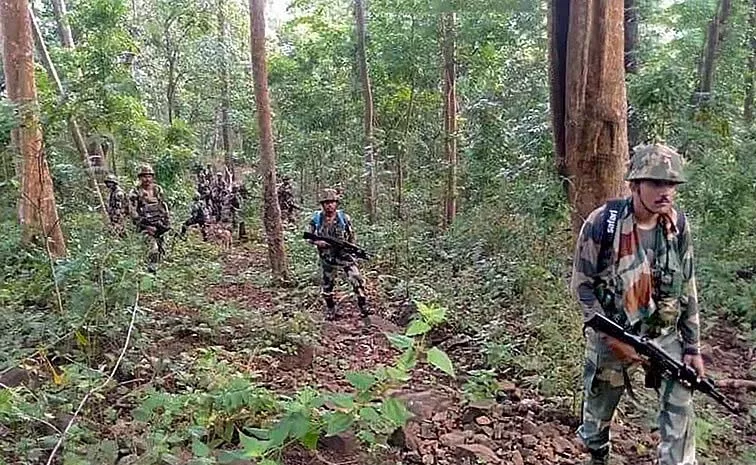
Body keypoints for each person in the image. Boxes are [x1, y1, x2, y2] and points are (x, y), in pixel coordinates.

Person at [571, 143, 703, 465]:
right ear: (634, 185)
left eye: (671, 184)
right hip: (613, 334)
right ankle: (598, 456)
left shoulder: (676, 227)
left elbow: (687, 286)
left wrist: (692, 347)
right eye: (656, 183)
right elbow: (582, 288)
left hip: (663, 337)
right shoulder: (604, 223)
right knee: (596, 424)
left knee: (681, 410)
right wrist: (612, 339)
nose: (665, 192)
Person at [308, 188, 368, 320]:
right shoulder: (317, 219)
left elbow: (352, 237)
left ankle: (363, 306)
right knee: (328, 285)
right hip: (327, 256)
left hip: (344, 255)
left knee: (356, 278)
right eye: (326, 202)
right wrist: (318, 242)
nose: (329, 205)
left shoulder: (344, 218)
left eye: (332, 202)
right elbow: (309, 237)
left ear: (336, 204)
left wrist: (351, 249)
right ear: (322, 205)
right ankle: (330, 309)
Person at [129, 164, 171, 272]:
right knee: (153, 249)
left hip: (159, 224)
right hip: (145, 226)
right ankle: (151, 274)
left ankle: (156, 272)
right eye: (144, 176)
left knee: (161, 251)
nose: (147, 179)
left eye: (149, 176)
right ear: (139, 178)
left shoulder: (157, 189)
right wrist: (145, 226)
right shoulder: (135, 192)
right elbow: (132, 211)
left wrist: (166, 221)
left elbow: (164, 206)